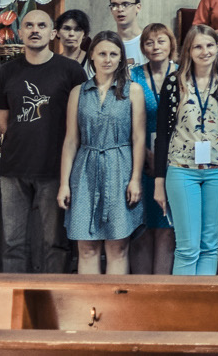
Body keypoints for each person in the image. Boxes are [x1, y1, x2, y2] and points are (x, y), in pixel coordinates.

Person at [0, 7, 82, 273]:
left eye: (42, 26)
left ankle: (53, 293)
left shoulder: (71, 70)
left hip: (55, 168)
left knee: (55, 242)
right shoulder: (7, 72)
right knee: (13, 242)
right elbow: (1, 118)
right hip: (14, 167)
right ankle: (15, 293)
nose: (35, 30)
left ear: (53, 33)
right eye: (29, 25)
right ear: (19, 32)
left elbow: (80, 118)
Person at [153, 24, 218, 275]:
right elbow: (162, 136)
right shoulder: (174, 83)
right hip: (181, 170)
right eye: (198, 47)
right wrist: (159, 182)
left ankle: (204, 298)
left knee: (209, 245)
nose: (205, 52)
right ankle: (184, 300)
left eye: (210, 45)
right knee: (187, 247)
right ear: (188, 51)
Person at [59, 31, 146, 274]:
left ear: (121, 58)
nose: (108, 59)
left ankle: (115, 299)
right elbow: (71, 140)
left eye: (113, 54)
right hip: (84, 171)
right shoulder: (78, 92)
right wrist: (64, 184)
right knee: (86, 247)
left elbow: (138, 138)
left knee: (118, 247)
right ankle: (88, 298)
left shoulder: (133, 90)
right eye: (102, 53)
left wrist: (135, 179)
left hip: (120, 168)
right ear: (92, 56)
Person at [128, 23, 179, 274]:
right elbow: (124, 119)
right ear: (143, 47)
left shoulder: (183, 74)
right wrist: (146, 155)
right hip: (139, 159)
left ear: (171, 44)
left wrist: (165, 158)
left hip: (176, 160)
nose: (155, 46)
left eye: (161, 41)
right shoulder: (133, 76)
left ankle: (161, 288)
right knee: (141, 228)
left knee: (167, 229)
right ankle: (140, 290)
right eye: (149, 42)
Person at [106, 0, 149, 65]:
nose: (120, 9)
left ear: (138, 7)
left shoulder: (150, 42)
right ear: (111, 10)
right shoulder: (106, 44)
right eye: (114, 5)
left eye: (125, 4)